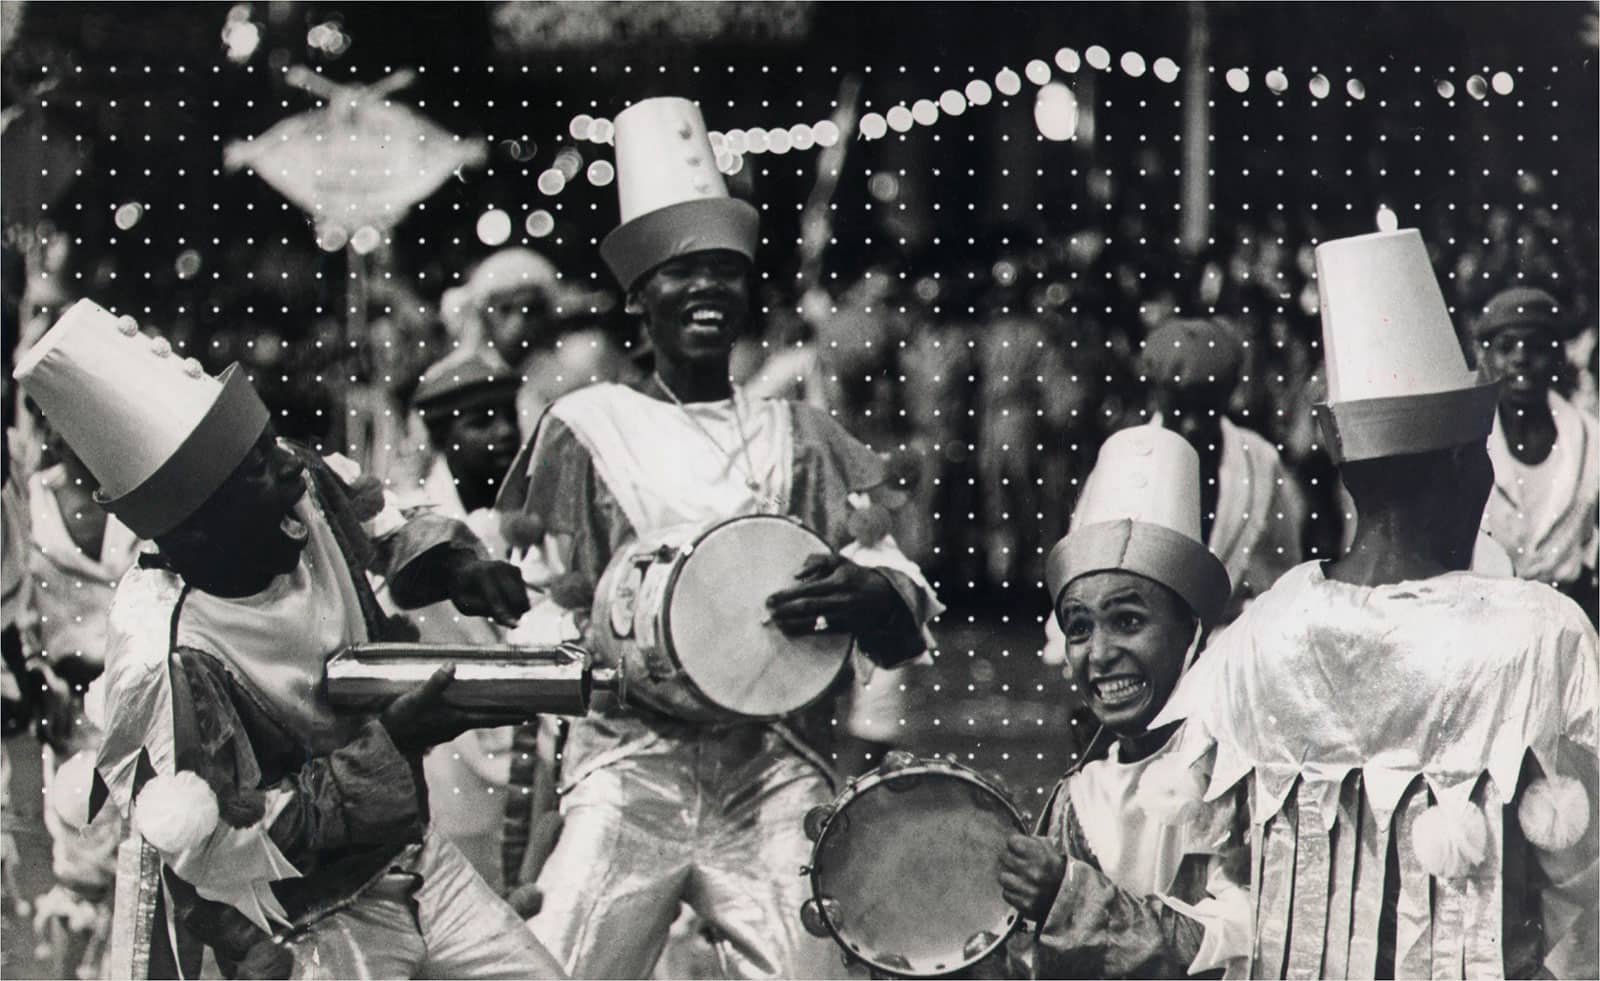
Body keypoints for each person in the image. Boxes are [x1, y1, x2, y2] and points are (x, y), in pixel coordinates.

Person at [496, 96, 942, 980]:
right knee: (543, 968)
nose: (705, 287)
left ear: (751, 291)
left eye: (726, 270)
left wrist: (875, 593)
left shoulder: (801, 433)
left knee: (818, 963)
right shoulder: (587, 426)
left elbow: (890, 580)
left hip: (769, 763)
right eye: (678, 269)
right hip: (627, 763)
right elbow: (544, 591)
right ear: (637, 293)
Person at [14, 300, 566, 979]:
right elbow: (235, 840)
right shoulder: (174, 658)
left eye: (272, 446)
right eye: (258, 471)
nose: (290, 474)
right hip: (310, 920)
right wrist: (394, 743)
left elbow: (385, 522)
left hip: (418, 859)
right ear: (196, 531)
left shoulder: (289, 476)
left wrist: (460, 567)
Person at [1154, 229, 1598, 979]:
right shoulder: (1540, 634)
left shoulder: (1261, 634)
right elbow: (1582, 889)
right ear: (1466, 466)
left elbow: (1207, 864)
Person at [998, 425, 1249, 978]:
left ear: (1192, 631)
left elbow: (1242, 946)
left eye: (1129, 621)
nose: (1100, 654)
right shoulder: (1079, 795)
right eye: (1080, 627)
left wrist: (1071, 899)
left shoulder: (1236, 775)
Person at [394, 348, 528, 893]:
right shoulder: (413, 522)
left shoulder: (543, 513)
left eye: (507, 415)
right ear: (442, 435)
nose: (501, 433)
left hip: (537, 746)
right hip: (454, 753)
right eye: (480, 421)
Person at [13, 412, 140, 980]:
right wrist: (38, 670)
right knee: (81, 869)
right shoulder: (29, 503)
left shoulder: (142, 492)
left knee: (145, 870)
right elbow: (12, 609)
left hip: (141, 701)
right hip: (69, 709)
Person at [1142, 318, 1306, 621]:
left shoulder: (1259, 459)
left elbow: (1283, 566)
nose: (1191, 426)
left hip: (1233, 643)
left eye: (1205, 409)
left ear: (1228, 394)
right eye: (1179, 410)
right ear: (1156, 396)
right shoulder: (1126, 457)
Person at [1471, 287, 1599, 621]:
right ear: (1485, 356)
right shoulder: (1464, 441)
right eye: (1506, 346)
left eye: (1537, 346)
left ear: (1558, 357)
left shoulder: (1590, 438)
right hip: (1483, 623)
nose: (1520, 358)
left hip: (1569, 622)